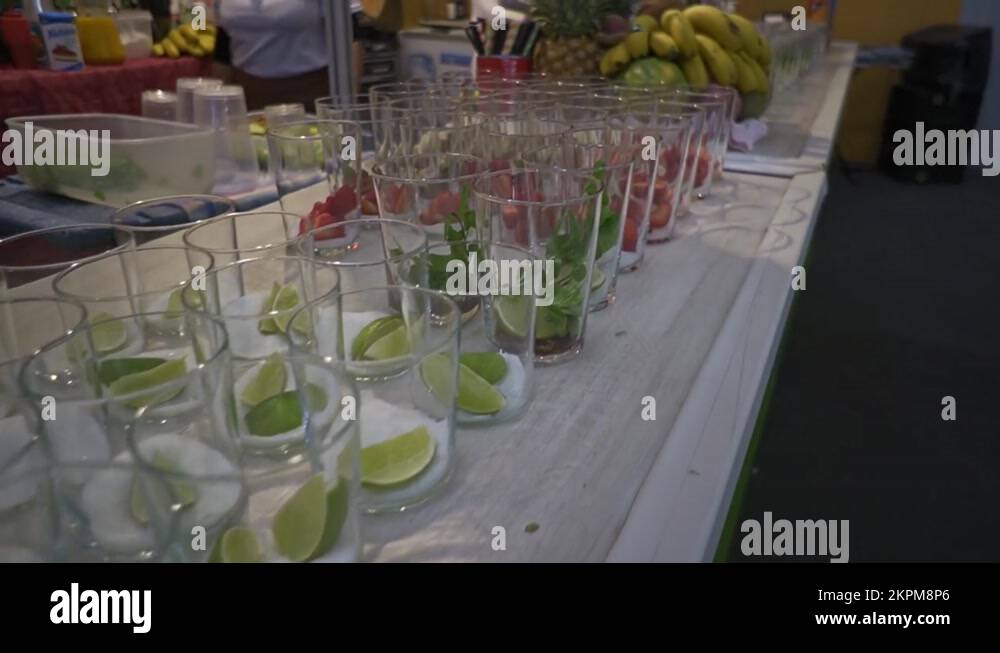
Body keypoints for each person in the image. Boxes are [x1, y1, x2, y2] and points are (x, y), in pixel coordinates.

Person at [216, 0, 364, 110]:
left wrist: (347, 106)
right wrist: (220, 103)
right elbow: (222, 44)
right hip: (246, 94)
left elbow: (351, 37)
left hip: (311, 94)